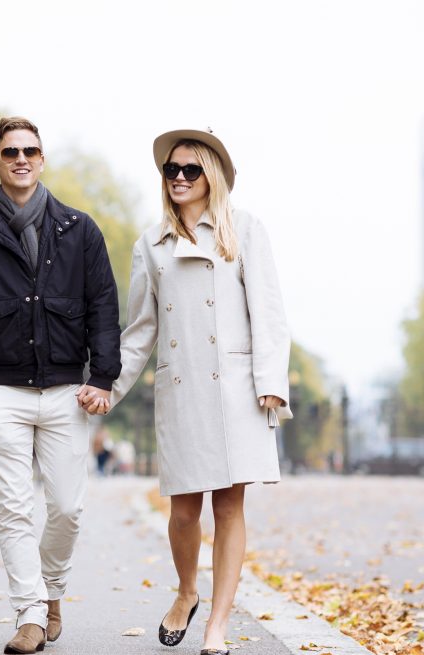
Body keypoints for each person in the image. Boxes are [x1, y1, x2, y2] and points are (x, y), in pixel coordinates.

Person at [84, 128, 291, 655]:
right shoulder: (149, 245)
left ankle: (216, 626)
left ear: (211, 177)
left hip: (238, 391)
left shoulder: (245, 231)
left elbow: (267, 313)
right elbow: (141, 330)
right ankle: (186, 591)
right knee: (182, 512)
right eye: (170, 170)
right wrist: (107, 385)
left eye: (189, 170)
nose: (178, 178)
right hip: (182, 388)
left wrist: (271, 383)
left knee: (229, 508)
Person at [0, 116, 121, 654]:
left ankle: (51, 591)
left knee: (66, 508)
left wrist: (103, 377)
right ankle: (30, 615)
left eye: (30, 151)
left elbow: (102, 308)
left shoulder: (80, 230)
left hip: (68, 392)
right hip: (0, 394)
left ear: (42, 160)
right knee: (14, 508)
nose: (21, 159)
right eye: (10, 151)